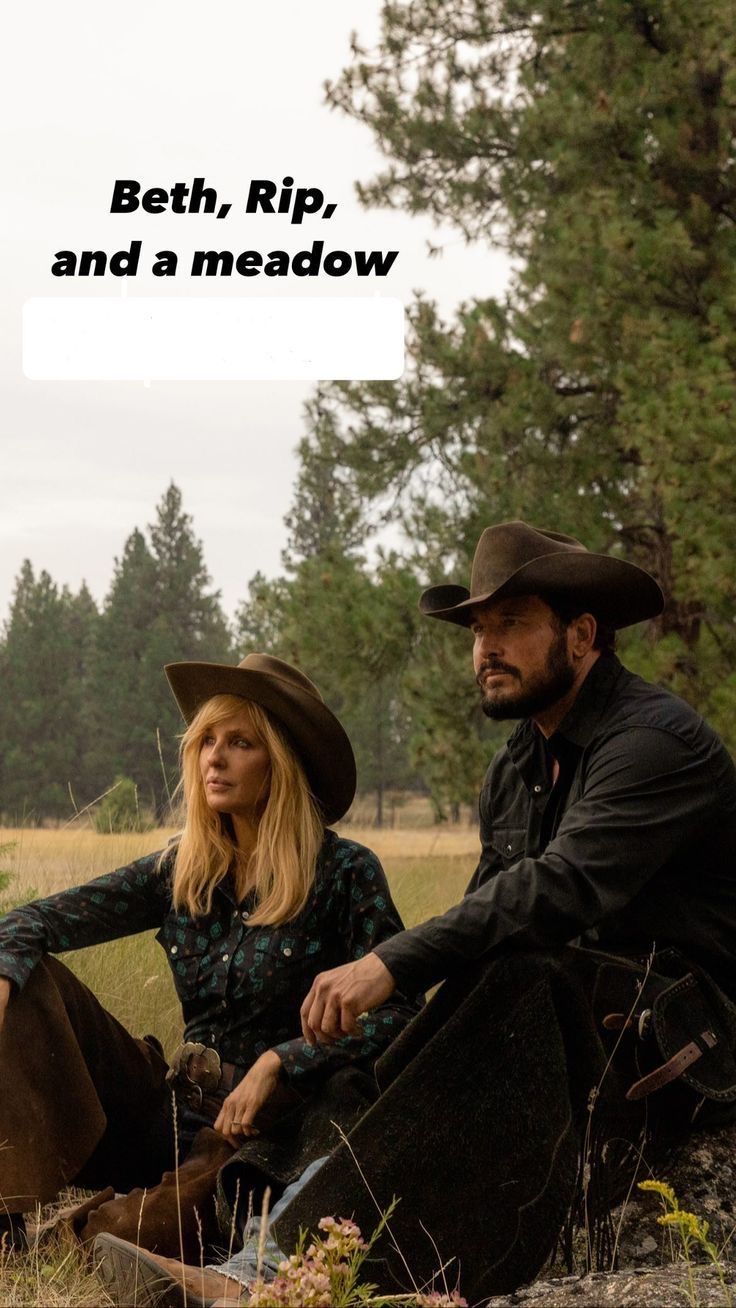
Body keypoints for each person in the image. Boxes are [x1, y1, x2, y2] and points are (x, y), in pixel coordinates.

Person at [95, 523, 736, 1307]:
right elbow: (486, 921)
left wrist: (391, 962)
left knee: (517, 979)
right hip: (574, 1022)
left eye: (510, 625)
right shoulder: (516, 768)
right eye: (476, 630)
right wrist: (393, 1041)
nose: (485, 648)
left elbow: (560, 890)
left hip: (677, 1039)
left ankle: (264, 1278)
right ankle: (241, 1238)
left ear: (582, 634)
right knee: (386, 1060)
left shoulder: (654, 741)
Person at [0, 653, 418, 1262]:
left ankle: (94, 1226)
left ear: (281, 762)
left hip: (253, 1134)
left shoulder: (345, 872)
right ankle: (8, 1217)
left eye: (240, 742)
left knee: (128, 1239)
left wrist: (284, 1059)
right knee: (26, 973)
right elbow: (32, 920)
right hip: (164, 1105)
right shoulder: (182, 867)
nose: (213, 759)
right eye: (205, 742)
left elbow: (401, 1011)